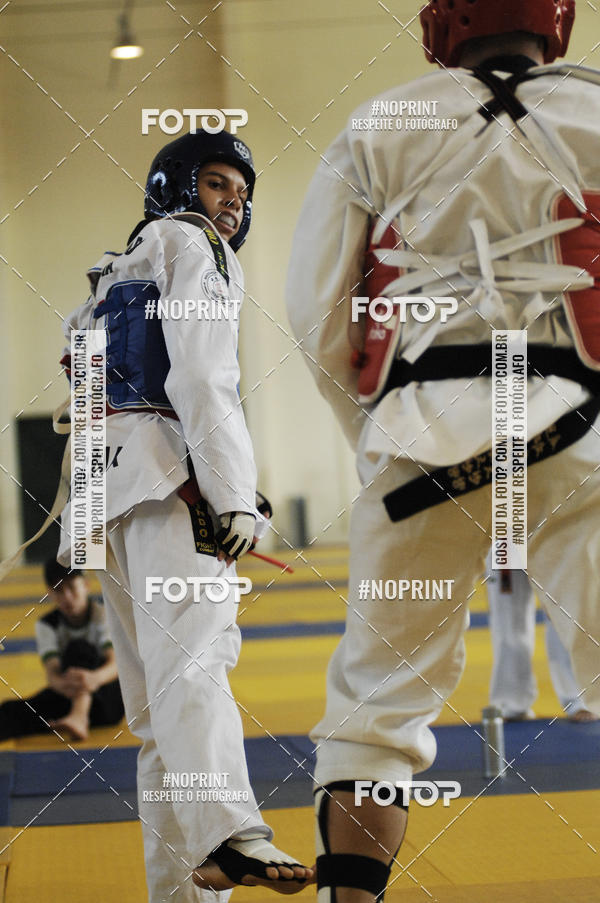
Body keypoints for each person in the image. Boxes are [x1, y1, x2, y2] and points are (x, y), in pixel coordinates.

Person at [286, 2, 600, 900]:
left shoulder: (379, 125)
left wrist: (374, 441)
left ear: (440, 26)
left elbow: (317, 314)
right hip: (576, 432)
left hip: (418, 438)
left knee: (377, 706)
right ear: (558, 22)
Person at [58, 131, 313, 902]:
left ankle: (182, 894)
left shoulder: (106, 275)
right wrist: (233, 495)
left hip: (114, 500)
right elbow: (204, 376)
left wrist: (79, 522)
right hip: (178, 495)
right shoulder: (195, 248)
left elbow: (88, 400)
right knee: (196, 666)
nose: (231, 203)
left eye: (241, 192)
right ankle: (232, 834)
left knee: (158, 717)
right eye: (215, 184)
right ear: (175, 188)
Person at [0, 559, 123, 742]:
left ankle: (79, 715)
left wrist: (93, 679)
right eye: (58, 590)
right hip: (68, 694)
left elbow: (115, 665)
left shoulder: (103, 614)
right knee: (9, 711)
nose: (66, 597)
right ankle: (74, 718)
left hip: (107, 702)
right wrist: (64, 686)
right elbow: (53, 675)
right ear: (50, 593)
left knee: (79, 648)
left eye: (72, 588)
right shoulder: (46, 624)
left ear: (86, 586)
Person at [486, 562, 597, 723]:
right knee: (507, 618)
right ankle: (511, 702)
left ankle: (578, 698)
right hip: (505, 541)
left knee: (563, 613)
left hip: (553, 541)